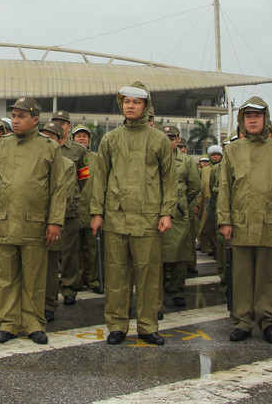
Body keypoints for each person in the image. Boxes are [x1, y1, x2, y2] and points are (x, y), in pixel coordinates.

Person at [90, 82, 176, 346]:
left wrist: (166, 212)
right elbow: (100, 178)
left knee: (149, 276)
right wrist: (97, 212)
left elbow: (169, 179)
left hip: (149, 219)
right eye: (126, 101)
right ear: (121, 105)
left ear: (146, 106)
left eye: (136, 102)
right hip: (116, 217)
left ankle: (148, 326)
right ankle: (117, 325)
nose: (130, 106)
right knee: (116, 275)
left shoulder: (159, 140)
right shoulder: (110, 140)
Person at [0, 97, 64, 345]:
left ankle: (34, 323)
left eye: (21, 116)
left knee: (34, 277)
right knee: (5, 277)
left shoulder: (49, 147)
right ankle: (7, 323)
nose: (15, 121)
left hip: (35, 223)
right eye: (14, 116)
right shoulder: (1, 146)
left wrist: (54, 221)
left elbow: (58, 188)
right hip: (4, 221)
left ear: (35, 120)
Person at [217, 97, 272, 344]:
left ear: (266, 120)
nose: (253, 120)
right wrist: (225, 220)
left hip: (270, 223)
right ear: (242, 120)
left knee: (268, 276)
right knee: (241, 276)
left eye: (258, 116)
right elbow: (225, 188)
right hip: (240, 223)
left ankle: (268, 321)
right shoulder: (232, 150)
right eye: (248, 116)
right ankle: (242, 321)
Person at [39, 121, 78, 323]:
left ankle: (48, 304)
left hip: (53, 219)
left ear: (60, 140)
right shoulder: (33, 159)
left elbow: (65, 196)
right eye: (44, 137)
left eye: (52, 137)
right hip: (30, 221)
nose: (47, 141)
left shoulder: (67, 165)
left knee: (50, 266)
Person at [49, 110, 88, 306]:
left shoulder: (79, 151)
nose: (59, 126)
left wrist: (72, 195)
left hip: (70, 209)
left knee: (70, 251)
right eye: (55, 122)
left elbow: (83, 178)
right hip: (48, 210)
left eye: (62, 123)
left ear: (69, 127)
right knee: (50, 251)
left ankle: (69, 287)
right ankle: (50, 289)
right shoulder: (45, 147)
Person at [160, 126, 201, 309]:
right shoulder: (154, 159)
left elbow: (195, 187)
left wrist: (182, 201)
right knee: (158, 254)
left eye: (172, 138)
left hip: (179, 213)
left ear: (178, 140)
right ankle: (158, 291)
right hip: (157, 213)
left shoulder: (186, 161)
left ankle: (177, 291)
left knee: (179, 254)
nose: (169, 141)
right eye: (165, 138)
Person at [72, 124, 101, 293]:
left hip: (91, 210)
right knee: (75, 250)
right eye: (78, 136)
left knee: (93, 249)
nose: (82, 138)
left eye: (85, 136)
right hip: (74, 209)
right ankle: (76, 280)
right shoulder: (68, 156)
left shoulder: (96, 159)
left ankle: (94, 279)